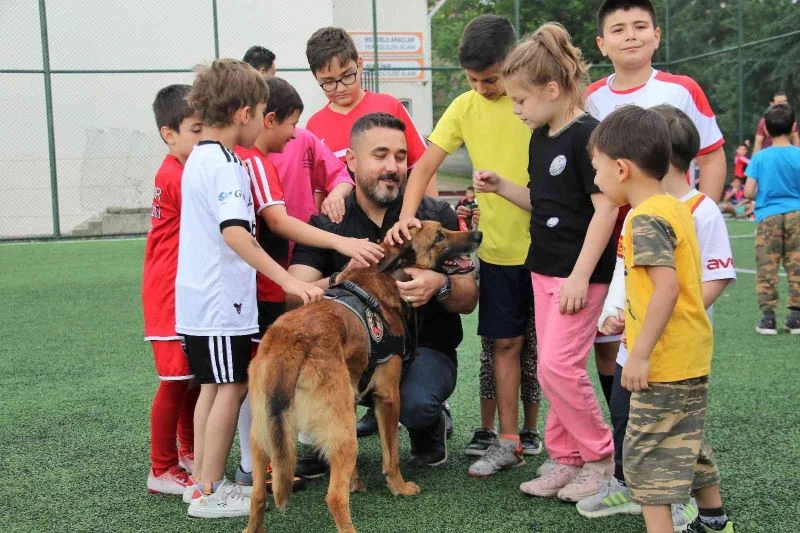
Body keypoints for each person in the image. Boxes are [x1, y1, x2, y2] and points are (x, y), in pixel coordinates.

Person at [385, 14, 542, 466]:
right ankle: (508, 440)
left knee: (550, 354)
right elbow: (424, 166)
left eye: (490, 79)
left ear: (513, 62)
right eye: (473, 79)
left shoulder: (534, 103)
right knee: (503, 345)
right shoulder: (463, 107)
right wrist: (408, 219)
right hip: (498, 252)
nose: (481, 88)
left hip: (550, 252)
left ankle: (554, 441)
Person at [472, 24, 617, 500]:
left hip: (579, 277)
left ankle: (600, 458)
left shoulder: (588, 136)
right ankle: (565, 458)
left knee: (560, 367)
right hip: (543, 270)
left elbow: (606, 210)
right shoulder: (540, 136)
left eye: (520, 100)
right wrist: (501, 187)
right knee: (551, 370)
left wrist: (580, 276)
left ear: (552, 89)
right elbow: (543, 202)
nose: (515, 109)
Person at [288, 112, 479, 472]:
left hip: (424, 351)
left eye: (400, 156)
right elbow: (293, 295)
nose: (393, 167)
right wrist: (342, 278)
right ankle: (325, 434)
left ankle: (429, 421)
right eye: (380, 155)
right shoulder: (329, 222)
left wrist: (439, 284)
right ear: (351, 161)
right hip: (351, 354)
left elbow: (468, 299)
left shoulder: (433, 214)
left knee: (416, 403)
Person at [175, 58, 324, 519]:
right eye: (261, 112)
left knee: (212, 387)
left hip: (200, 301)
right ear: (244, 113)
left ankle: (201, 484)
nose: (264, 121)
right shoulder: (225, 164)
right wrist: (286, 279)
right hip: (221, 303)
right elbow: (235, 232)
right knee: (232, 386)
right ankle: (210, 490)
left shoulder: (200, 157)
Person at [579, 105, 736, 532]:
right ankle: (715, 522)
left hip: (662, 362)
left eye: (596, 168)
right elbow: (667, 288)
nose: (595, 178)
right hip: (689, 355)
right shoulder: (674, 206)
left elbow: (666, 289)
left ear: (622, 169)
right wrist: (624, 318)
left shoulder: (644, 219)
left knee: (646, 461)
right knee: (687, 441)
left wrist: (641, 353)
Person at [232, 77, 383, 487]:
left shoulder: (246, 158)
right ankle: (250, 466)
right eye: (291, 124)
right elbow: (278, 222)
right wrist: (339, 241)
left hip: (257, 285)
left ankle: (258, 463)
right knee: (248, 381)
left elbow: (337, 177)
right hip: (257, 287)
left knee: (247, 379)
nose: (294, 134)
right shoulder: (254, 162)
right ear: (267, 119)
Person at [585, 0, 728, 403]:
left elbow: (712, 156)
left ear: (657, 35)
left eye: (640, 26)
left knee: (674, 327)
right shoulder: (590, 98)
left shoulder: (682, 89)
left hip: (670, 240)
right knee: (611, 337)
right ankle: (624, 419)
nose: (630, 36)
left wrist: (693, 216)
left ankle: (674, 412)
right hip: (615, 240)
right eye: (618, 29)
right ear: (602, 43)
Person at [142, 84, 203, 495]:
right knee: (174, 380)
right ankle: (161, 468)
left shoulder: (181, 169)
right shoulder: (176, 175)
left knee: (191, 378)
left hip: (185, 290)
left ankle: (190, 452)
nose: (205, 138)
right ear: (169, 134)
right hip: (169, 294)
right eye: (197, 130)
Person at [303, 26, 438, 197]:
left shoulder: (389, 106)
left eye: (347, 76)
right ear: (316, 78)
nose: (341, 88)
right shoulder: (315, 126)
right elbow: (316, 190)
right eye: (328, 82)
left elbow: (422, 166)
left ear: (359, 65)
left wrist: (431, 210)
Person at [744, 103, 800, 335]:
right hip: (797, 215)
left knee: (767, 266)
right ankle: (796, 317)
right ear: (794, 127)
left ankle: (768, 319)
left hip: (768, 216)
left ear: (765, 129)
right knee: (797, 264)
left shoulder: (760, 157)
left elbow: (748, 192)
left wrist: (765, 194)